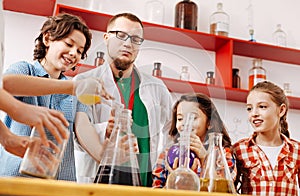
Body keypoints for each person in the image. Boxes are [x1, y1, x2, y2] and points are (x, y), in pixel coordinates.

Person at [73, 12, 173, 186]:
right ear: (106, 38)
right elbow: (73, 135)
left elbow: (173, 132)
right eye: (121, 35)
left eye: (135, 39)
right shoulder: (82, 82)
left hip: (144, 184)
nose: (128, 44)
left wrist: (167, 166)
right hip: (99, 182)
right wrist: (105, 129)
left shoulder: (157, 88)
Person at [0, 13, 93, 181]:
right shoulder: (25, 69)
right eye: (69, 44)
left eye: (79, 51)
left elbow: (84, 130)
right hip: (15, 180)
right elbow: (5, 85)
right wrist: (71, 87)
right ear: (48, 38)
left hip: (60, 185)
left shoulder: (76, 91)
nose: (74, 53)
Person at [152, 93, 236, 188]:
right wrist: (175, 179)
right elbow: (156, 192)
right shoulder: (166, 155)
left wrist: (205, 158)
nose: (185, 123)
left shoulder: (222, 153)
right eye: (180, 119)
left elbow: (227, 188)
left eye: (192, 117)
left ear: (210, 123)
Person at [233, 81, 300, 196]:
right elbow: (228, 189)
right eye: (249, 109)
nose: (254, 114)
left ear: (281, 110)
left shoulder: (296, 150)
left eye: (262, 107)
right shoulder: (239, 149)